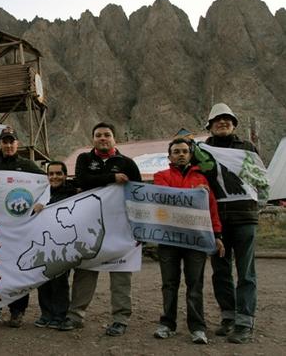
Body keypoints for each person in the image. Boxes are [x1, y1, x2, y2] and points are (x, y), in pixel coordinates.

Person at [68, 122, 141, 335]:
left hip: (121, 229)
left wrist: (140, 228)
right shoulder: (84, 159)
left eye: (107, 135)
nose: (102, 138)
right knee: (85, 271)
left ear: (114, 139)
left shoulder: (127, 163)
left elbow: (138, 194)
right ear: (93, 139)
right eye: (98, 135)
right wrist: (112, 178)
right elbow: (82, 180)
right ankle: (75, 315)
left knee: (121, 273)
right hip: (90, 228)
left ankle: (120, 318)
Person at [152, 138, 225, 344]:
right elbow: (164, 198)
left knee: (195, 284)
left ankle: (198, 327)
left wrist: (217, 235)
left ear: (190, 155)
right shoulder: (161, 176)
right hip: (169, 239)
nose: (181, 154)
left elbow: (211, 209)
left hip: (196, 240)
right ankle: (167, 323)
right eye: (176, 151)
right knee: (169, 284)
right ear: (170, 156)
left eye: (184, 151)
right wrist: (194, 194)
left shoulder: (202, 178)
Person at [202, 103, 260, 344]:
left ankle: (244, 320)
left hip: (245, 216)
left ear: (234, 124)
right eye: (218, 120)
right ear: (210, 125)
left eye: (227, 120)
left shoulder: (247, 148)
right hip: (216, 220)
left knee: (246, 271)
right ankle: (228, 316)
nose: (222, 123)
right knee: (221, 270)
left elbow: (258, 178)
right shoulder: (203, 150)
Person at [0, 127, 45, 328]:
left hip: (21, 229)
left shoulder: (28, 165)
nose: (8, 145)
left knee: (18, 271)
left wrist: (41, 202)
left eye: (12, 141)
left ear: (18, 143)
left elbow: (47, 183)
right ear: (0, 143)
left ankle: (17, 311)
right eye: (5, 141)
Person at [32, 161, 77, 331]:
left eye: (58, 173)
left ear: (65, 175)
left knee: (60, 281)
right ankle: (46, 314)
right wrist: (34, 210)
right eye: (51, 174)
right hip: (43, 244)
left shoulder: (73, 193)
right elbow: (31, 217)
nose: (54, 177)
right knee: (43, 279)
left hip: (63, 246)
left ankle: (59, 315)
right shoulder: (41, 194)